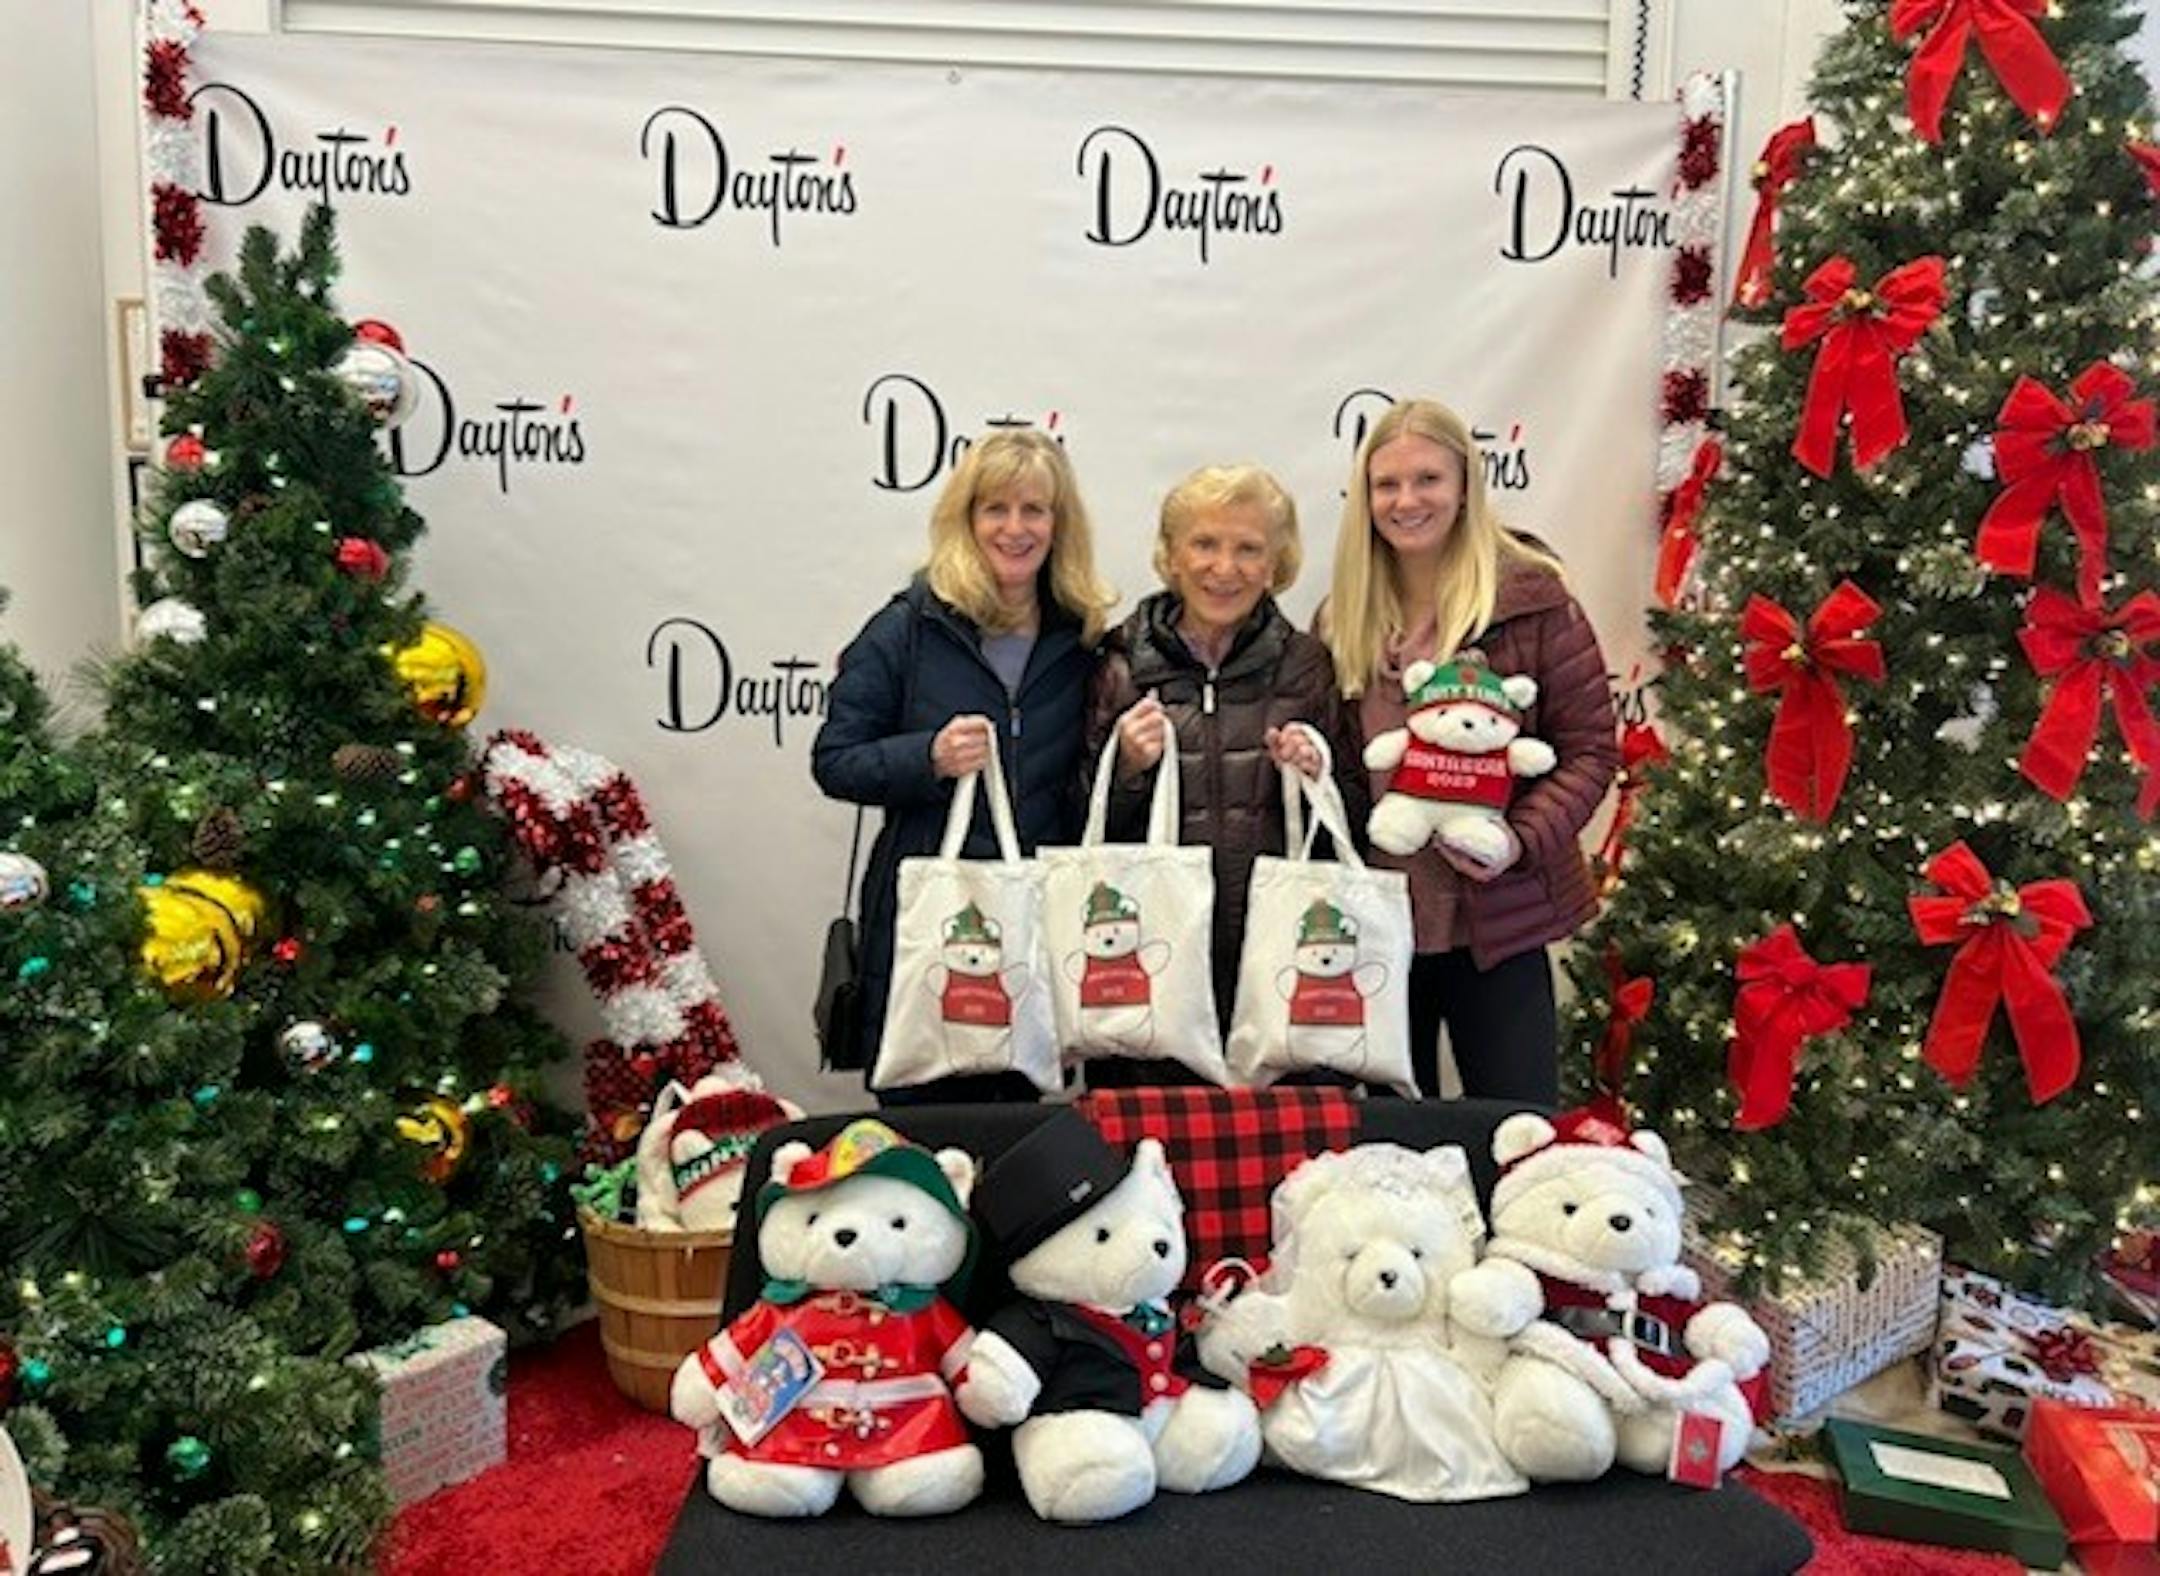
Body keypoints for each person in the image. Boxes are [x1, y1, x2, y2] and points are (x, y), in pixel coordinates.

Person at [1321, 399, 1619, 1105]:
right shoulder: (1343, 616)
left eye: (1427, 479)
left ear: (1464, 487)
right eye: (1387, 485)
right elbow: (1345, 770)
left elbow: (1589, 753)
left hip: (1500, 920)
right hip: (1382, 927)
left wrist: (1517, 841)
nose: (1406, 501)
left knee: (1518, 1127)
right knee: (1394, 1141)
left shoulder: (1532, 600)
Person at [813, 429, 1114, 1103]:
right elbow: (834, 760)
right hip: (926, 928)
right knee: (923, 1135)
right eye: (995, 509)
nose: (1015, 528)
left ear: (1059, 523)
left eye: (1034, 510)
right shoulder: (907, 629)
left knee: (1018, 1135)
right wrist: (927, 756)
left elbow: (1084, 789)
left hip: (1032, 931)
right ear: (966, 519)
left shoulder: (1082, 638)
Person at [1084, 463, 1367, 1086]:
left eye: (1248, 549)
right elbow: (1078, 821)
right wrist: (1128, 768)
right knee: (1149, 1143)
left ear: (1276, 563)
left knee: (1289, 1144)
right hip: (1148, 971)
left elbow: (1355, 819)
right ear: (1171, 556)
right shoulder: (1118, 661)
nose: (1224, 567)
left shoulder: (1308, 665)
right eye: (1205, 544)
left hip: (1281, 969)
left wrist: (1315, 774)